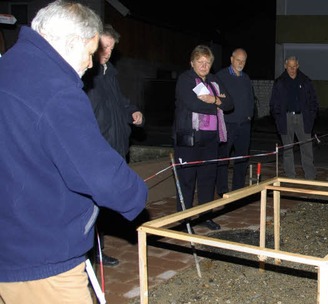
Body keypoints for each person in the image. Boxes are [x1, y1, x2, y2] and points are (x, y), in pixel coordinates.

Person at [0, 1, 148, 302]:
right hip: (41, 258)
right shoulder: (56, 90)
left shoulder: (10, 66)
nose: (91, 64)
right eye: (90, 53)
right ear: (70, 43)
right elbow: (98, 174)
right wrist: (135, 194)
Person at [83, 24, 144, 267]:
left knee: (103, 206)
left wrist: (133, 112)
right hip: (97, 150)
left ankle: (98, 249)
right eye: (104, 46)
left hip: (116, 147)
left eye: (111, 48)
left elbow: (120, 103)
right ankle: (90, 254)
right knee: (92, 206)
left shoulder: (109, 72)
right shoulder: (86, 74)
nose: (107, 52)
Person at [173, 45, 233, 231]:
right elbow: (192, 104)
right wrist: (218, 102)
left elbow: (230, 104)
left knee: (208, 179)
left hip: (211, 139)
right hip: (189, 137)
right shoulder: (185, 80)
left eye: (207, 62)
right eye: (200, 62)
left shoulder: (215, 80)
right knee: (187, 180)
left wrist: (213, 100)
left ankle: (206, 216)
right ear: (192, 63)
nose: (204, 66)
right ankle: (185, 220)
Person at [269, 56, 319, 179]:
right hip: (286, 118)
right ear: (285, 66)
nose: (292, 69)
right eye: (289, 66)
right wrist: (278, 117)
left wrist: (311, 116)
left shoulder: (306, 81)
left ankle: (310, 176)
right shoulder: (279, 82)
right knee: (287, 149)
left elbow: (313, 101)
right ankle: (290, 176)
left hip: (303, 118)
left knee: (307, 148)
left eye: (294, 66)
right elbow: (274, 103)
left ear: (298, 65)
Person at [216, 48, 255, 195]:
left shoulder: (245, 78)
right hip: (227, 124)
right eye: (238, 60)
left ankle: (237, 190)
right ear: (231, 59)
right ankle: (222, 190)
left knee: (242, 159)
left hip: (244, 125)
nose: (241, 63)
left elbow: (251, 98)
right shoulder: (221, 76)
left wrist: (250, 115)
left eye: (243, 61)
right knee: (223, 159)